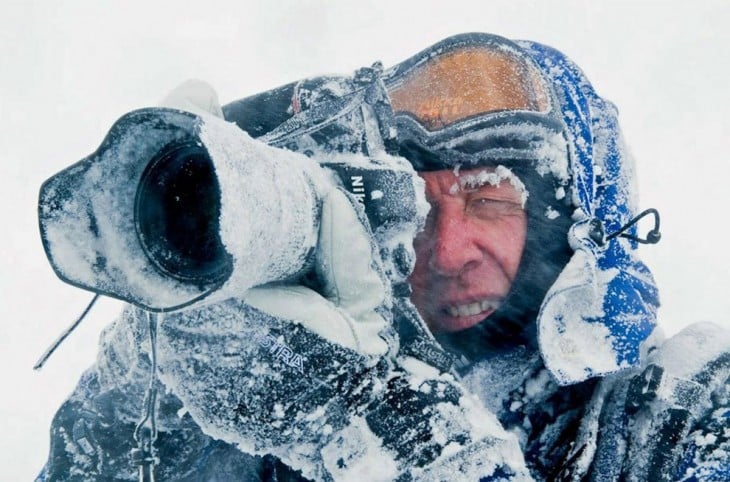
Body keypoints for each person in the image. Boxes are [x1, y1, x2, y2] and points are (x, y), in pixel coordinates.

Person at [38, 33, 729, 481]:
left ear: (574, 229)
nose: (448, 250)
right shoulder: (281, 393)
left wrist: (377, 426)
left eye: (490, 199)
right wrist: (152, 373)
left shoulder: (679, 412)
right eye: (421, 209)